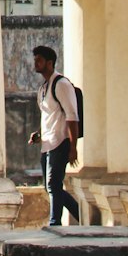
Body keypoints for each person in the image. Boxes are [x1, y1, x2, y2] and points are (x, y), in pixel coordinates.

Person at [27, 45, 79, 226]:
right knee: (50, 186)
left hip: (60, 143)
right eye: (35, 60)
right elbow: (49, 117)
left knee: (53, 185)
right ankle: (79, 214)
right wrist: (39, 135)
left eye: (39, 60)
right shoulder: (43, 89)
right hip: (47, 143)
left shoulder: (62, 84)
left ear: (50, 63)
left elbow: (72, 116)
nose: (36, 63)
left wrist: (73, 147)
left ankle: (55, 222)